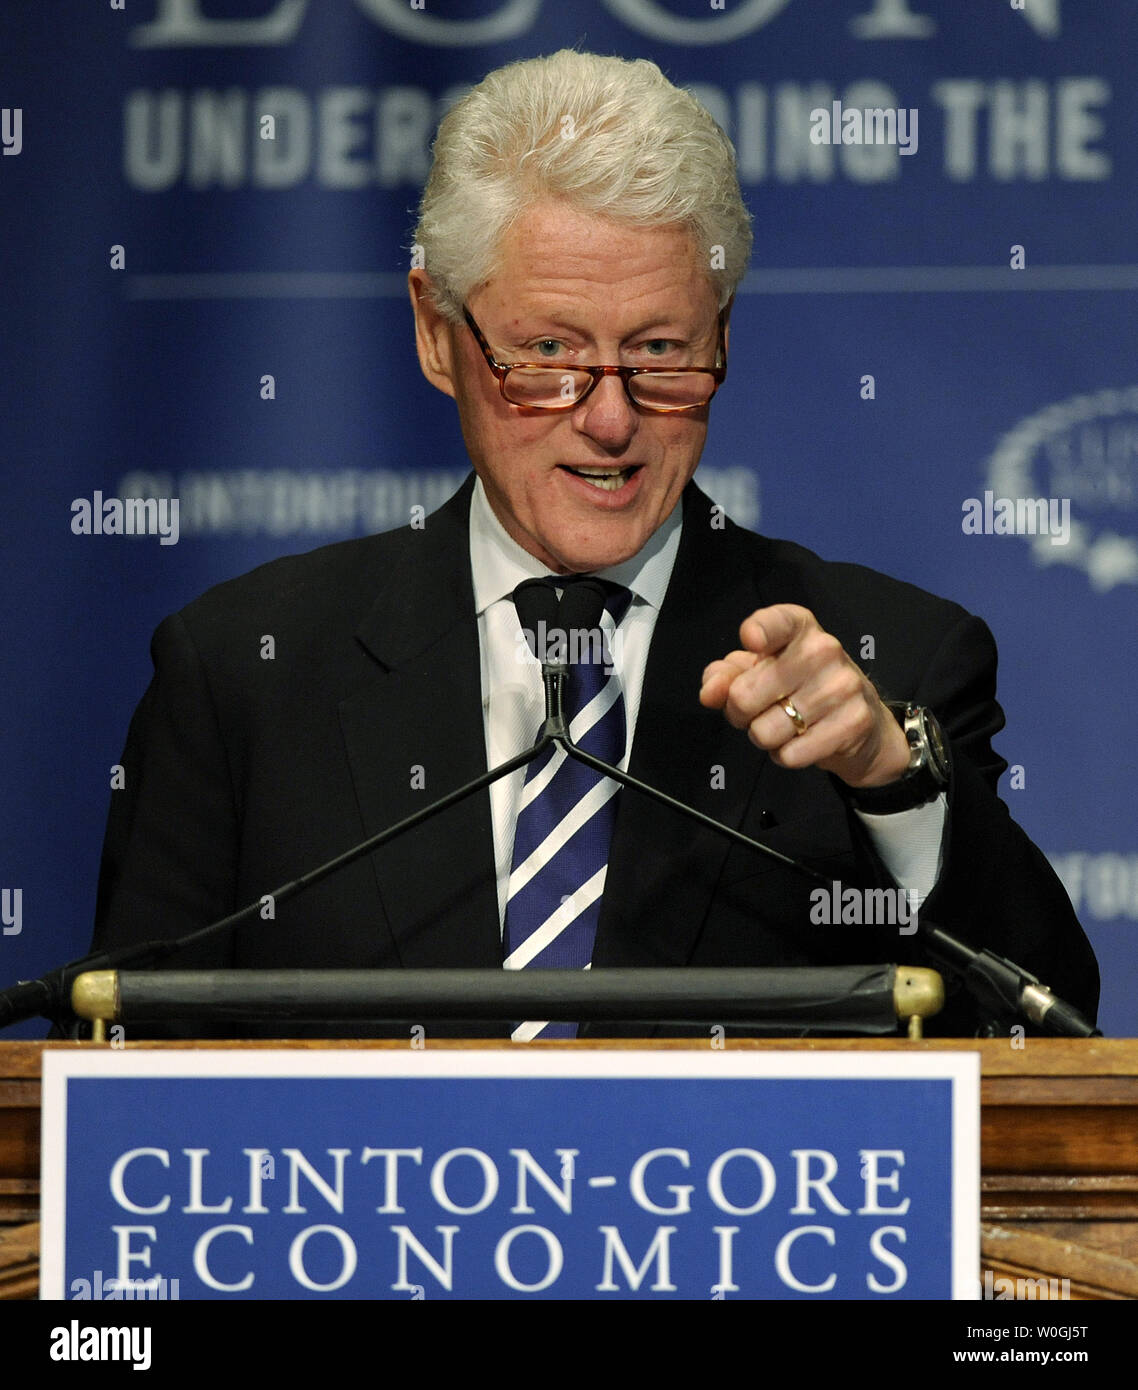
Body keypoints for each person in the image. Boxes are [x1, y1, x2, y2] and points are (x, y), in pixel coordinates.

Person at [89, 50, 1098, 1038]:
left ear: (725, 337)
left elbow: (1049, 1042)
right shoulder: (244, 676)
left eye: (660, 352)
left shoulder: (888, 659)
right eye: (549, 353)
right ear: (437, 334)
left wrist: (894, 784)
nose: (608, 420)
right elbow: (119, 1071)